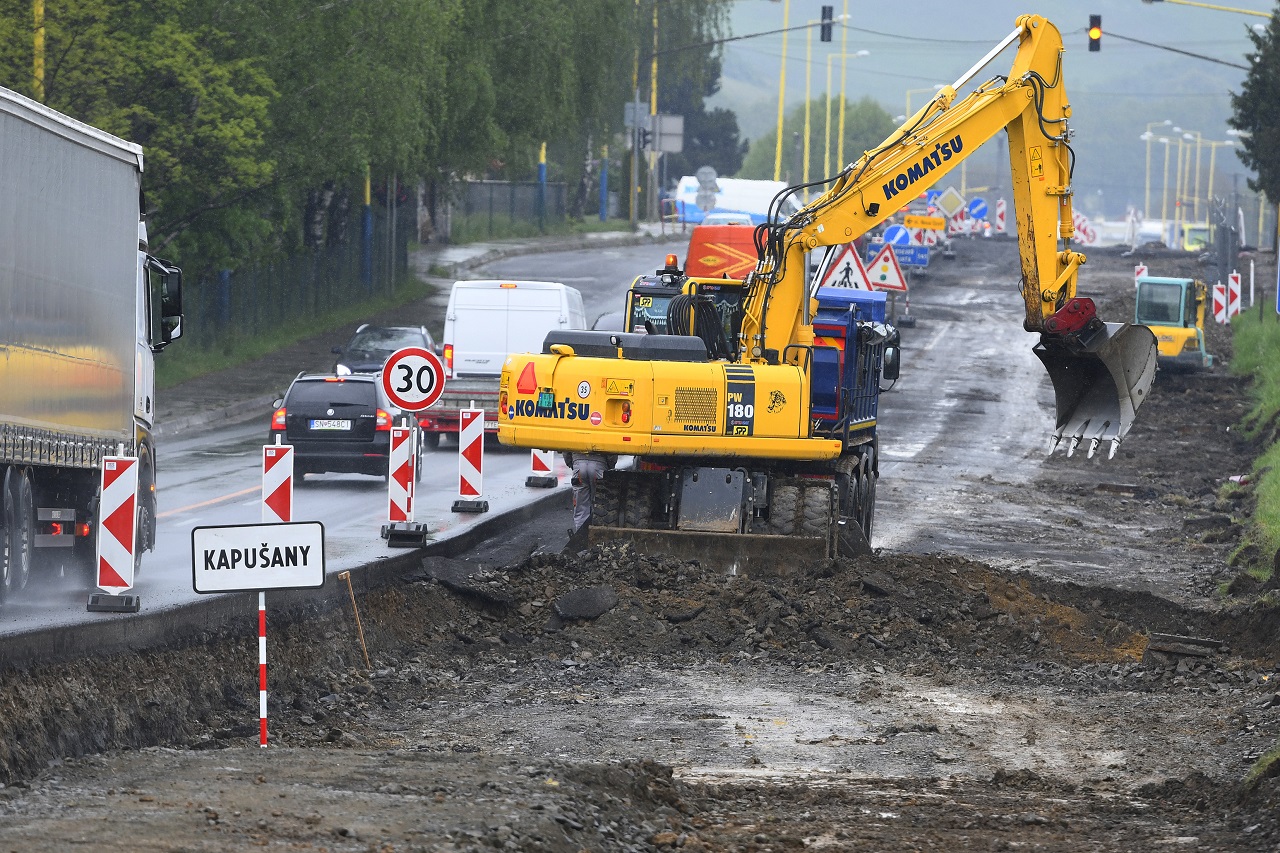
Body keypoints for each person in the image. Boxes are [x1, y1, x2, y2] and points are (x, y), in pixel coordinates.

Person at [563, 450, 616, 547]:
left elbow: (566, 449)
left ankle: (581, 541)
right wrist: (610, 465)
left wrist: (572, 463)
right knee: (600, 505)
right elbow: (612, 451)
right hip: (599, 465)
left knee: (581, 508)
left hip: (578, 465)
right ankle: (599, 542)